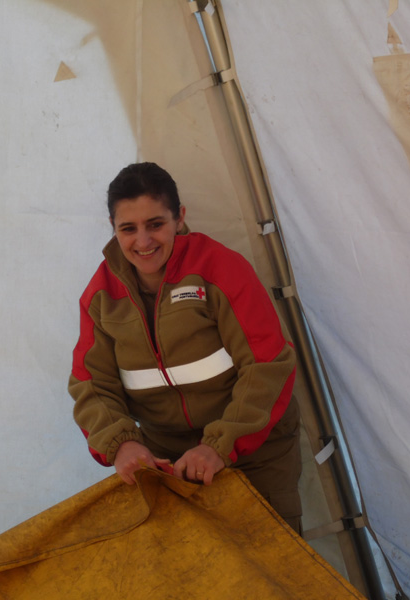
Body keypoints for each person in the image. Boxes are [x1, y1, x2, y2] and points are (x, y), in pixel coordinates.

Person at [68, 162, 302, 532]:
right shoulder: (100, 297)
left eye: (155, 224)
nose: (143, 241)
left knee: (270, 558)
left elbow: (268, 364)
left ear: (179, 218)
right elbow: (91, 385)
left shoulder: (221, 269)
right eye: (128, 229)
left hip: (254, 450)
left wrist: (218, 446)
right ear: (113, 227)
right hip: (167, 461)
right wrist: (122, 445)